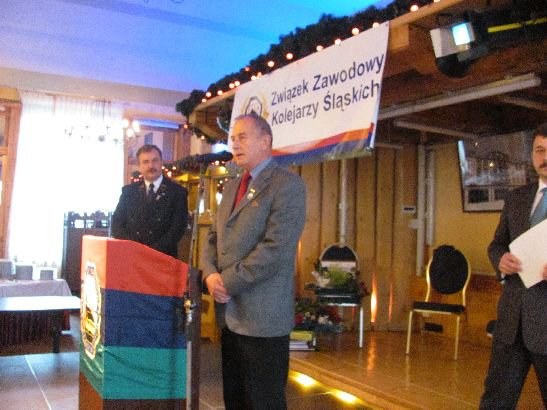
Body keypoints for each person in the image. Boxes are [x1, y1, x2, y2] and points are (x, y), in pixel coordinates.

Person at [201, 113, 306, 409]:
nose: (235, 144)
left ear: (265, 141)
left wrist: (227, 282)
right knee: (235, 399)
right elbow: (213, 236)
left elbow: (276, 249)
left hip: (263, 318)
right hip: (229, 315)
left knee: (263, 402)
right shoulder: (232, 186)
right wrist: (209, 274)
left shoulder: (287, 185)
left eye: (242, 137)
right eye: (233, 138)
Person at [480, 123, 547, 408]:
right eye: (539, 150)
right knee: (495, 401)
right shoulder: (516, 198)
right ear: (531, 155)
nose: (545, 157)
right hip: (511, 322)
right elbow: (497, 244)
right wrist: (500, 260)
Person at [111, 144, 188, 258]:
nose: (151, 166)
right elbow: (117, 224)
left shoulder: (177, 192)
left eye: (155, 160)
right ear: (139, 166)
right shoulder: (128, 192)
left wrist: (151, 253)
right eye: (145, 162)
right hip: (133, 256)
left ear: (161, 162)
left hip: (163, 258)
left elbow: (177, 228)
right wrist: (134, 248)